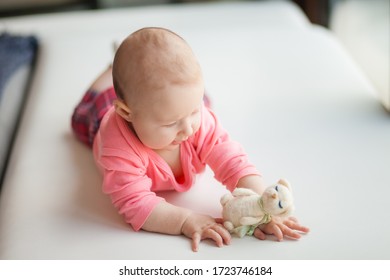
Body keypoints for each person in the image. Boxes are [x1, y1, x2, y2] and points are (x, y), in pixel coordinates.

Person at [71, 27, 309, 252]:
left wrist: (262, 208)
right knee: (84, 112)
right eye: (170, 123)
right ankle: (109, 68)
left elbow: (232, 161)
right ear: (126, 113)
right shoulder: (117, 146)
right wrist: (185, 220)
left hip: (166, 101)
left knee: (199, 104)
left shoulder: (197, 121)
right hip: (101, 115)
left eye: (193, 112)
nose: (187, 129)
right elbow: (134, 203)